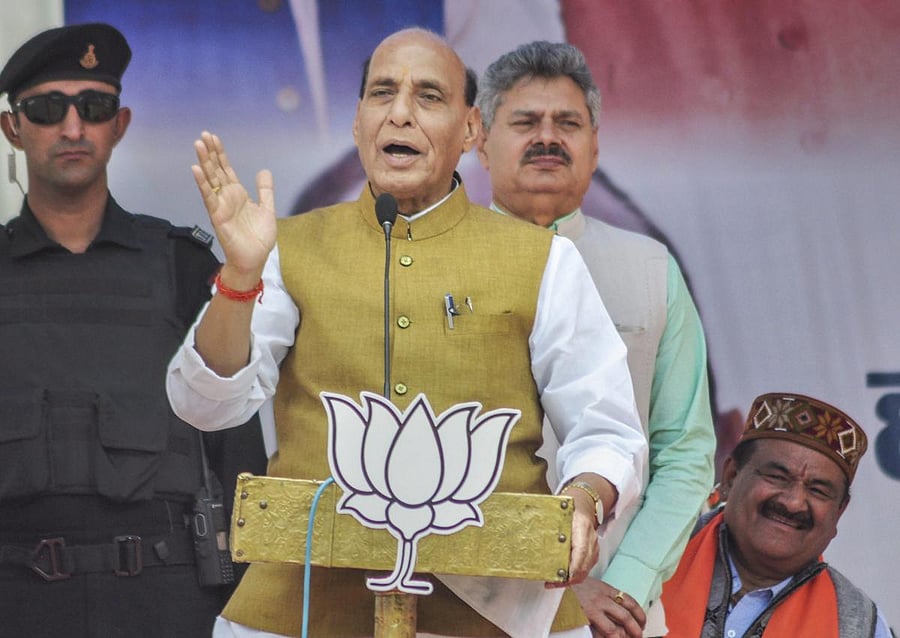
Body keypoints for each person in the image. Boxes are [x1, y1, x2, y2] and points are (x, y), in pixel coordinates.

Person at [167, 27, 648, 638]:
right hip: (301, 607)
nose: (399, 113)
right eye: (382, 92)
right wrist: (240, 277)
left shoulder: (540, 260)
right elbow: (206, 406)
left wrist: (584, 499)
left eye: (428, 96)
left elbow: (605, 426)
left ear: (471, 130)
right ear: (357, 121)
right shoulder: (289, 247)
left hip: (496, 607)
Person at [0, 23, 267, 637]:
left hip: (167, 605)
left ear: (118, 124)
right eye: (46, 109)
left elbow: (239, 458)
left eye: (92, 107)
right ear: (14, 128)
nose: (72, 128)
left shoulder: (186, 266)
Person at [476, 41, 715, 637]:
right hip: (467, 605)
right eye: (526, 122)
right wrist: (550, 585)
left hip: (613, 615)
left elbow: (684, 454)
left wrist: (626, 579)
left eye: (568, 124)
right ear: (479, 140)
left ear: (595, 146)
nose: (547, 138)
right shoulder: (433, 267)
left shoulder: (650, 269)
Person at [661, 392, 894, 637]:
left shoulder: (860, 625)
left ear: (839, 512)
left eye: (818, 490)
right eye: (777, 477)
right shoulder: (654, 558)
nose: (793, 503)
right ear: (730, 477)